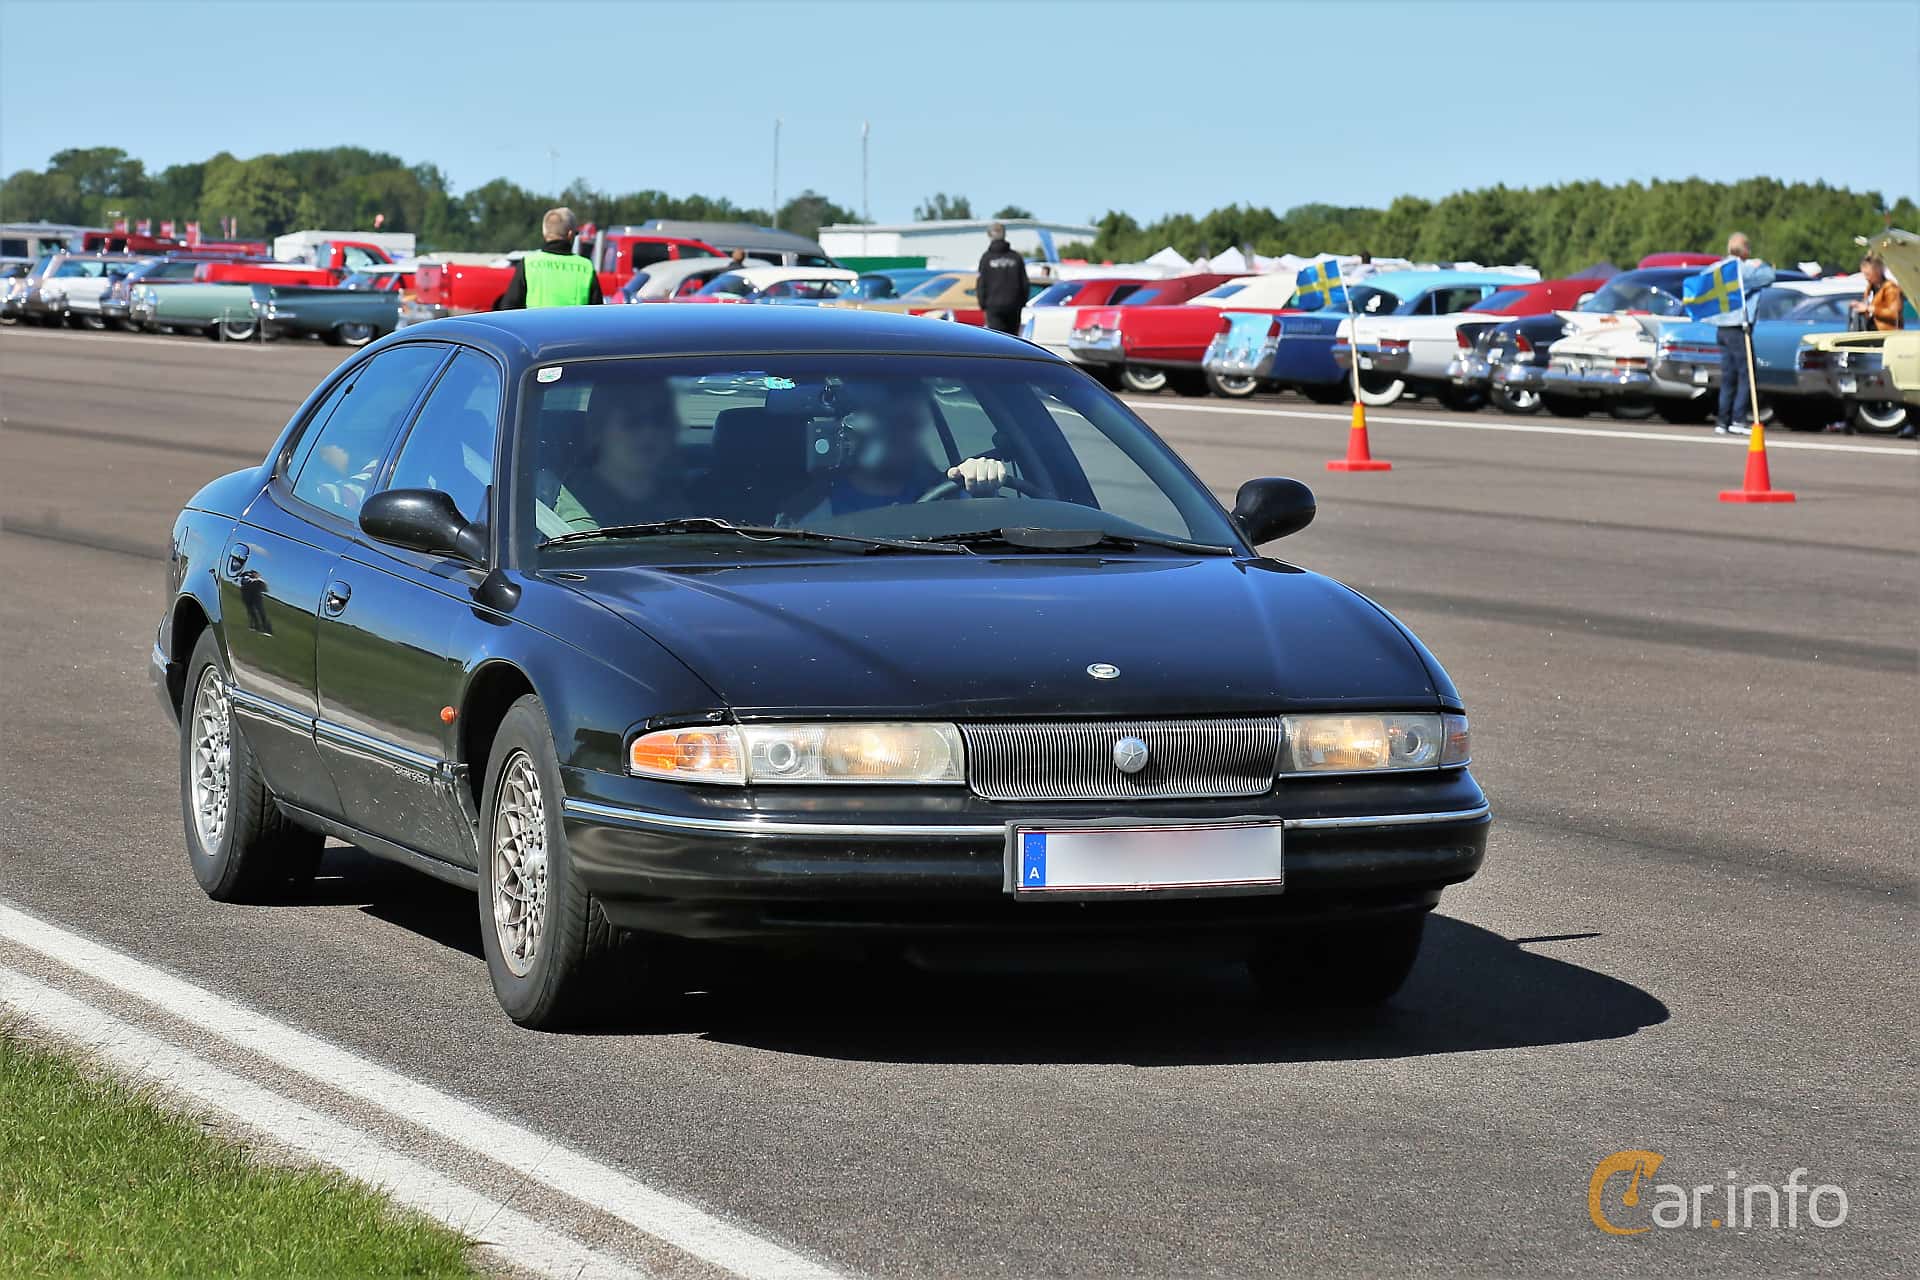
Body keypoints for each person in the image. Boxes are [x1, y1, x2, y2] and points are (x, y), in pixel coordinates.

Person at [783, 381, 1008, 521]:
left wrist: (983, 490)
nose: (899, 434)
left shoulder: (947, 493)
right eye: (886, 422)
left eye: (909, 424)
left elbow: (984, 544)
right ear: (853, 430)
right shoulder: (815, 507)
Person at [551, 385, 684, 531]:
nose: (649, 432)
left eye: (660, 420)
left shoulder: (673, 497)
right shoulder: (578, 514)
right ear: (598, 430)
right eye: (632, 420)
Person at [1709, 232, 1777, 436]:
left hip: (1721, 328)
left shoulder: (1716, 269)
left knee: (1728, 376)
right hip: (1738, 327)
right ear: (1745, 249)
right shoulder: (1743, 270)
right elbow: (1768, 277)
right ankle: (1738, 419)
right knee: (1746, 375)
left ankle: (1723, 421)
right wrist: (1760, 265)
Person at [496, 207, 603, 310]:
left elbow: (508, 308)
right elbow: (598, 315)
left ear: (544, 233)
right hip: (576, 329)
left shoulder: (528, 264)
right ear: (570, 235)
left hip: (535, 328)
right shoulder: (586, 267)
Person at [975, 222, 1028, 335]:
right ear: (1004, 235)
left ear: (989, 235)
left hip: (993, 307)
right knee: (1013, 340)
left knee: (996, 339)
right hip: (1014, 306)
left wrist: (982, 304)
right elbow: (1024, 283)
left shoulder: (986, 258)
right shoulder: (1016, 257)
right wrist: (1021, 303)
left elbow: (981, 283)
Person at [1852, 252, 1905, 331]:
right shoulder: (1870, 288)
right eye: (1864, 274)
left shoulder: (1890, 288)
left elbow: (1894, 314)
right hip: (1871, 332)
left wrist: (1869, 309)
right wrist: (1859, 306)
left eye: (1868, 274)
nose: (1866, 278)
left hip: (1887, 334)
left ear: (1878, 271)